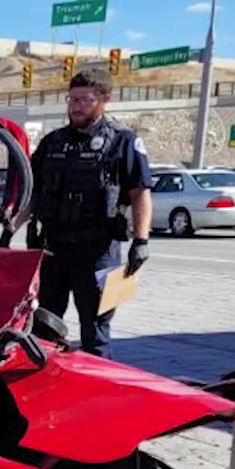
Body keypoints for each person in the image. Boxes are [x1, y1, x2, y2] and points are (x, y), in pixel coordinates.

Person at [25, 70, 153, 357]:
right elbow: (32, 190)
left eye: (85, 100)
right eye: (72, 99)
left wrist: (141, 242)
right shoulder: (52, 142)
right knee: (42, 326)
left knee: (96, 329)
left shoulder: (123, 141)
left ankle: (97, 380)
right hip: (54, 249)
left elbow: (140, 193)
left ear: (105, 100)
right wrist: (9, 229)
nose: (76, 106)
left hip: (100, 251)